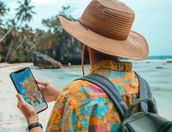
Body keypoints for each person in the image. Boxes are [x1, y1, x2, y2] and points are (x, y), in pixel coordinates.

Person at [16, 0, 150, 131]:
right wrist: (61, 96)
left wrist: (32, 119)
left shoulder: (75, 94)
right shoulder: (142, 86)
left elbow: (87, 102)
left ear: (84, 42)